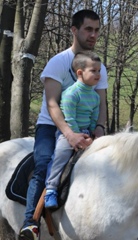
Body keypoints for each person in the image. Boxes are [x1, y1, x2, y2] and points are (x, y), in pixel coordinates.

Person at [18, 9, 108, 240]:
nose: (93, 35)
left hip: (87, 125)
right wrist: (70, 134)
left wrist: (99, 129)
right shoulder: (58, 62)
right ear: (74, 30)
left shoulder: (99, 67)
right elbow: (52, 105)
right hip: (52, 126)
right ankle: (31, 223)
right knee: (43, 164)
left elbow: (102, 104)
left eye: (97, 30)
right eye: (88, 29)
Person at [44, 50, 101, 209]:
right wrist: (78, 136)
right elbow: (69, 118)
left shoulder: (95, 97)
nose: (98, 74)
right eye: (94, 71)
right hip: (69, 132)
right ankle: (51, 188)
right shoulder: (71, 93)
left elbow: (94, 117)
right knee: (61, 155)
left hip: (86, 133)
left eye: (99, 71)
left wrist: (91, 134)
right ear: (80, 73)